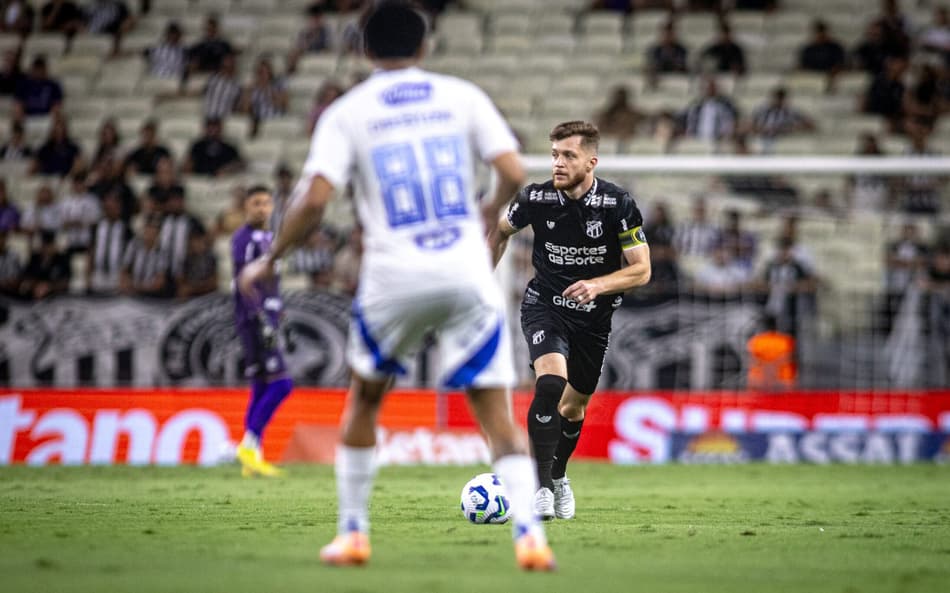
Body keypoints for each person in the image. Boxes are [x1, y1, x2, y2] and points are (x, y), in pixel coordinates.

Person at [237, 1, 555, 571]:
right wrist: (486, 209)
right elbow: (512, 171)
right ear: (425, 48)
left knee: (364, 399)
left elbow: (313, 199)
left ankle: (353, 535)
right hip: (464, 269)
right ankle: (530, 537)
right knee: (495, 412)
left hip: (393, 276)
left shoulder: (347, 111)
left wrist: (271, 259)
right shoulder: (462, 96)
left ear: (364, 51)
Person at [489, 121, 651, 521]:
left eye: (568, 156)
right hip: (546, 305)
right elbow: (499, 229)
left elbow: (642, 270)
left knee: (574, 407)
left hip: (594, 320)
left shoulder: (618, 205)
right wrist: (480, 281)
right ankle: (539, 488)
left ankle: (558, 477)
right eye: (554, 155)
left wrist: (598, 285)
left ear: (591, 161)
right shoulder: (535, 198)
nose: (558, 164)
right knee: (550, 382)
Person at [231, 185, 293, 478]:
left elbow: (269, 281)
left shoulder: (270, 239)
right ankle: (249, 443)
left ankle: (251, 457)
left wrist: (277, 310)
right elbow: (244, 281)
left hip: (267, 318)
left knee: (260, 386)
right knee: (282, 384)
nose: (262, 208)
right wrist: (261, 317)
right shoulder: (245, 239)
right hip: (255, 321)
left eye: (267, 202)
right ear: (246, 207)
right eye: (256, 203)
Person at [746, 314, 797, 390]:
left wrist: (768, 373)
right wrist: (774, 371)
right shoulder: (786, 340)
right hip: (783, 381)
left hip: (760, 381)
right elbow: (788, 358)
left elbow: (753, 360)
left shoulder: (755, 341)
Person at [19, 230, 71, 300]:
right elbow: (27, 275)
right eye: (45, 246)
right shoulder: (35, 258)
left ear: (54, 246)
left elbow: (65, 281)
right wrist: (34, 285)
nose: (47, 249)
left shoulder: (61, 259)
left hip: (55, 295)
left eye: (49, 245)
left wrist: (49, 287)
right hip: (35, 292)